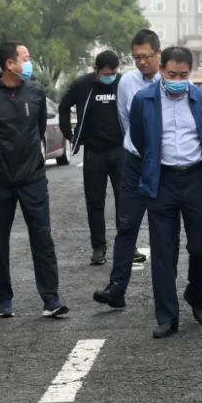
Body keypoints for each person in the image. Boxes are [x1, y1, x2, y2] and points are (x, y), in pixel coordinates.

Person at [120, 46, 202, 339]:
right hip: (162, 181)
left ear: (190, 72)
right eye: (172, 75)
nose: (177, 80)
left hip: (195, 179)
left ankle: (195, 294)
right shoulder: (144, 100)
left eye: (183, 75)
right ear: (161, 71)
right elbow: (140, 138)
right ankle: (167, 316)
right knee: (163, 251)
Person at [0, 42, 67, 319]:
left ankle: (51, 299)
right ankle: (4, 298)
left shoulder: (35, 92)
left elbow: (38, 129)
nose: (29, 62)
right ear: (9, 64)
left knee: (42, 238)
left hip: (32, 178)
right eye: (25, 58)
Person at [93, 29, 161, 309]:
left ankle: (164, 290)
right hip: (134, 162)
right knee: (127, 224)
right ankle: (117, 287)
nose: (141, 62)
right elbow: (125, 119)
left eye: (146, 56)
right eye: (136, 58)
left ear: (158, 53)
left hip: (163, 165)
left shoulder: (171, 79)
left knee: (161, 228)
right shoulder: (127, 83)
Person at [59, 50, 124, 266]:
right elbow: (64, 106)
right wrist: (69, 134)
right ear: (96, 69)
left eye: (113, 73)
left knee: (124, 200)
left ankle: (126, 244)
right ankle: (98, 247)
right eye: (106, 73)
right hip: (94, 153)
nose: (110, 77)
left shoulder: (122, 83)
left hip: (120, 151)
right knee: (95, 201)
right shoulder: (82, 85)